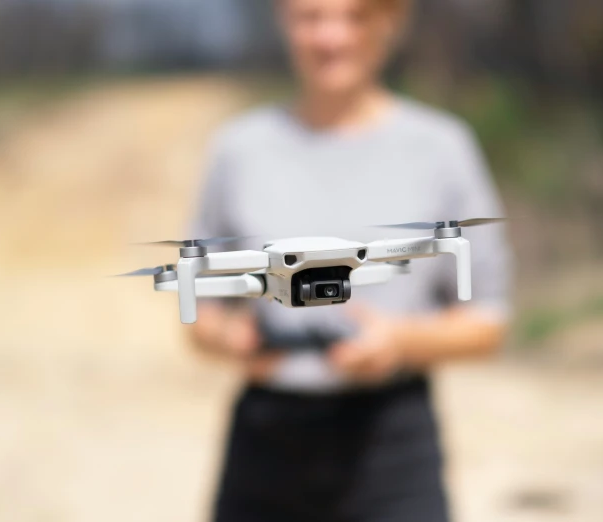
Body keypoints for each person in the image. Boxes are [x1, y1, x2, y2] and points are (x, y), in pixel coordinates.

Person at [189, 0, 513, 521]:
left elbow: (489, 321)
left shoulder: (441, 149)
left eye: (353, 17)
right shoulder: (240, 150)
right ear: (284, 21)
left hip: (391, 436)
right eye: (311, 17)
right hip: (266, 438)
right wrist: (230, 338)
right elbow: (199, 314)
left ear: (389, 24)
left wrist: (402, 340)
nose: (331, 37)